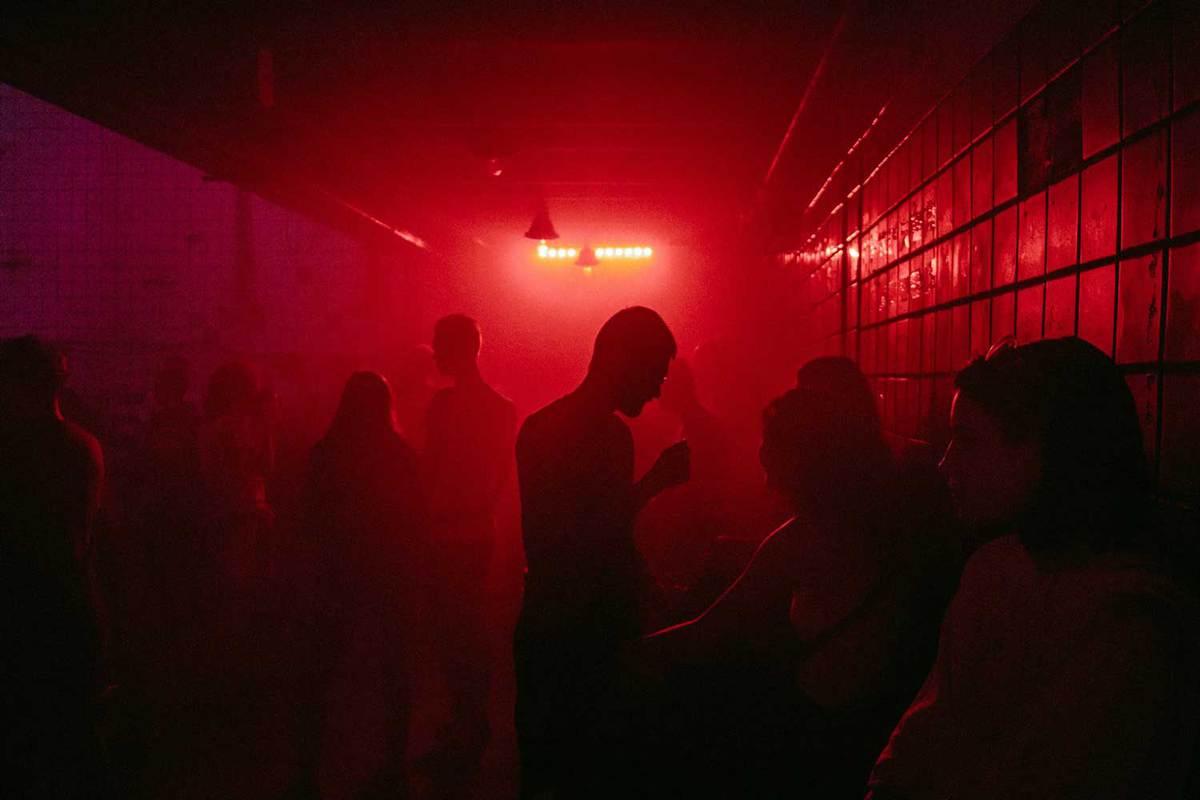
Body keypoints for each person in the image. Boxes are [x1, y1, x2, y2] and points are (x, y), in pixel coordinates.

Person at [867, 337, 1200, 800]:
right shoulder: (994, 569)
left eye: (967, 440)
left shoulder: (1131, 630)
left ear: (1049, 448)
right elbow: (921, 736)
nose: (946, 464)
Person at [638, 357, 956, 797]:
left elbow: (708, 632)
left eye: (774, 440)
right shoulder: (871, 517)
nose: (762, 451)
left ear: (803, 455)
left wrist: (625, 658)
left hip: (815, 743)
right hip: (861, 730)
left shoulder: (805, 538)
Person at [513, 306, 690, 798]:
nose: (656, 390)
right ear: (622, 362)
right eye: (654, 373)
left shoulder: (541, 427)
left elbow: (570, 541)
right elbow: (587, 540)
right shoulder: (608, 436)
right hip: (587, 633)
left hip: (550, 625)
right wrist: (654, 484)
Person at [298, 371, 425, 799]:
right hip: (388, 572)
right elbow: (415, 521)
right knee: (394, 672)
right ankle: (393, 765)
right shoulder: (401, 455)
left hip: (336, 573)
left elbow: (309, 518)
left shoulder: (326, 453)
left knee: (319, 674)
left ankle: (308, 771)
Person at [0, 335, 107, 797]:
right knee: (70, 747)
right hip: (71, 610)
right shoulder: (85, 448)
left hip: (17, 617)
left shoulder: (9, 450)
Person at [419, 315, 516, 784]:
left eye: (440, 344)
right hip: (478, 532)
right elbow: (498, 480)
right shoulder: (502, 409)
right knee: (471, 628)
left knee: (454, 632)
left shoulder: (441, 407)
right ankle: (471, 724)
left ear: (455, 349)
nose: (434, 352)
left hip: (445, 534)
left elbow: (429, 475)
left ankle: (464, 725)